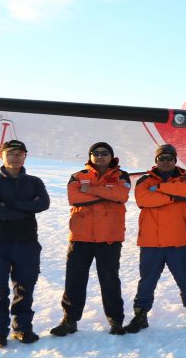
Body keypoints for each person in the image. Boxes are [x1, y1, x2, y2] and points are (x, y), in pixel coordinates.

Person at [50, 142, 129, 337]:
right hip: (81, 236)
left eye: (104, 153)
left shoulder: (121, 176)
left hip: (109, 237)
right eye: (96, 153)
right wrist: (105, 194)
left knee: (109, 280)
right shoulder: (78, 176)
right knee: (75, 280)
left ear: (111, 156)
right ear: (90, 156)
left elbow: (121, 195)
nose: (100, 156)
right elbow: (74, 198)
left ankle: (116, 321)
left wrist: (91, 190)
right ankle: (70, 319)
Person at [124, 144, 186, 333]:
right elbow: (143, 200)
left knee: (185, 279)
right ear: (156, 161)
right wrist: (172, 197)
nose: (165, 161)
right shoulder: (144, 180)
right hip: (152, 242)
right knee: (147, 281)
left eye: (169, 158)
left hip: (178, 241)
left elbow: (185, 192)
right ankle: (140, 314)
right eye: (162, 158)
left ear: (175, 160)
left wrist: (158, 189)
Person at [0, 140, 50, 349]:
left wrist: (10, 204)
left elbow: (43, 204)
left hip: (27, 243)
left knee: (25, 287)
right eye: (10, 153)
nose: (15, 157)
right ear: (1, 155)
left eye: (20, 153)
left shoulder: (34, 182)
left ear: (25, 156)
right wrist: (27, 209)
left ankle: (22, 328)